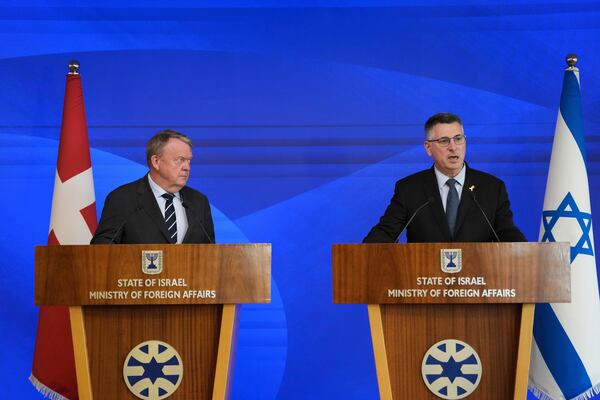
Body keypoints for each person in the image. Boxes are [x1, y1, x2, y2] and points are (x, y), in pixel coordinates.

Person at [363, 112, 526, 243]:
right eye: (444, 141)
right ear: (428, 147)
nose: (453, 147)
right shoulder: (409, 189)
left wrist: (531, 255)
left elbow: (507, 233)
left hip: (478, 281)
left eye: (458, 139)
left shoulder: (492, 188)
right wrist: (364, 253)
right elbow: (386, 232)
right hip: (423, 280)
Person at [91, 130, 215, 244]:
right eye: (180, 160)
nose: (187, 167)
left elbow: (210, 253)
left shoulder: (199, 201)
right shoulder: (123, 199)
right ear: (156, 161)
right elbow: (102, 248)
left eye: (189, 161)